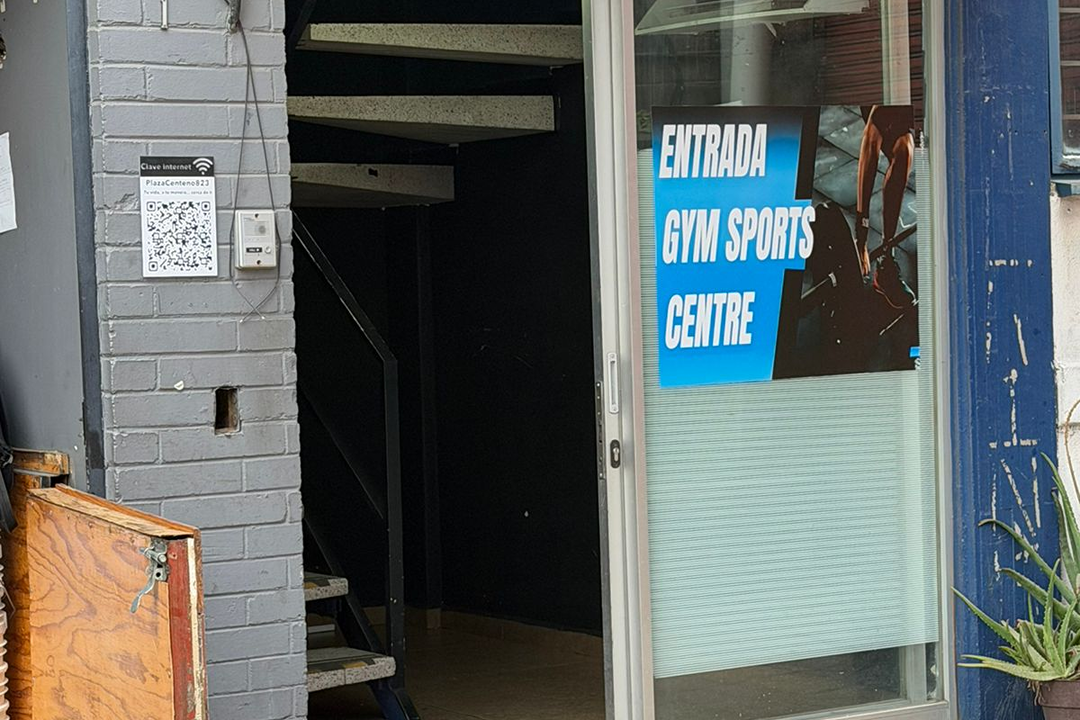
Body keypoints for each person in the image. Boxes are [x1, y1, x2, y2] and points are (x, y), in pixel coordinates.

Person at [855, 105, 917, 309]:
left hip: (906, 110)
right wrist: (861, 237)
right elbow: (868, 156)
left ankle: (886, 259)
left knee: (905, 150)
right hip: (880, 109)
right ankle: (886, 262)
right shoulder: (880, 113)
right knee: (900, 150)